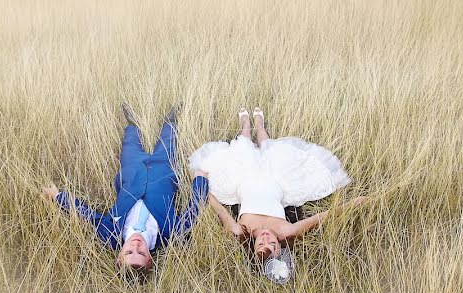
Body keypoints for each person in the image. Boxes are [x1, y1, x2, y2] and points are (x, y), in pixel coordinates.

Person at [190, 107, 363, 281]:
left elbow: (220, 210)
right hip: (275, 179)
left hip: (243, 179)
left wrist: (200, 183)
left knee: (243, 145)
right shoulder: (287, 230)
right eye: (272, 244)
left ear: (253, 247)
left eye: (260, 244)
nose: (266, 238)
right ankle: (260, 125)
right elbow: (323, 216)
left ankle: (246, 123)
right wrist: (354, 203)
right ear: (281, 249)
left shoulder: (240, 230)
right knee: (270, 148)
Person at [42, 103, 209, 274]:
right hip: (162, 173)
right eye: (142, 253)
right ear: (150, 259)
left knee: (130, 146)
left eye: (129, 252)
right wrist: (200, 180)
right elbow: (193, 211)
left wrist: (58, 196)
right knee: (168, 144)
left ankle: (133, 124)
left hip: (132, 173)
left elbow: (87, 215)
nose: (136, 245)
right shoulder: (170, 234)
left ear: (119, 256)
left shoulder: (111, 235)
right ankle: (170, 121)